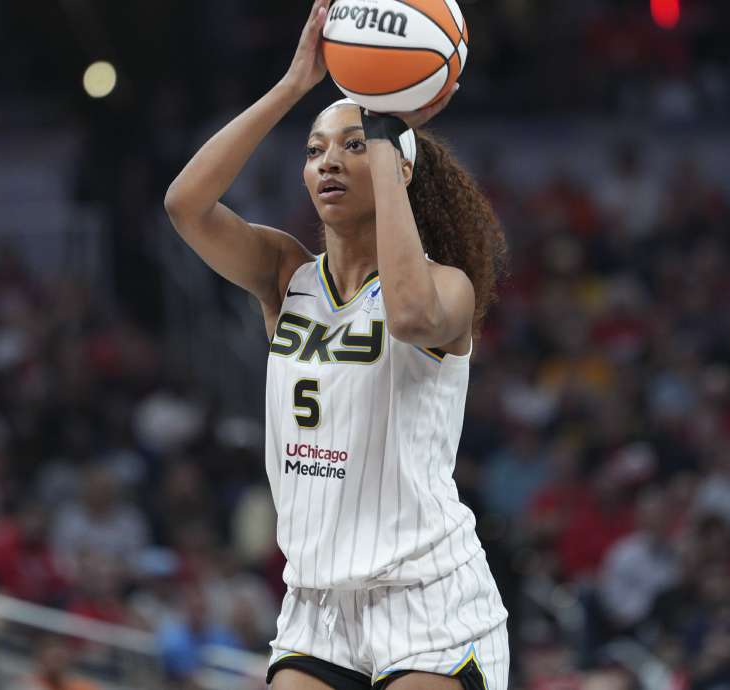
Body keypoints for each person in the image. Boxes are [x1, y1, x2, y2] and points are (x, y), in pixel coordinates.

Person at [163, 2, 509, 689]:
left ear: (396, 168)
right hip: (316, 601)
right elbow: (185, 205)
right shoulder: (285, 273)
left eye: (353, 145)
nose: (328, 161)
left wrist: (385, 123)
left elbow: (407, 315)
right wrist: (294, 85)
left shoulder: (448, 288)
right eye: (314, 149)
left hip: (428, 596)